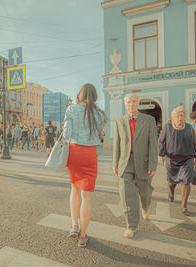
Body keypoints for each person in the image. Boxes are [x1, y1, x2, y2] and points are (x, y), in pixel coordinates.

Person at [64, 83, 106, 248]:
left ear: (80, 94)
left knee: (74, 188)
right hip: (90, 154)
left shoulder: (71, 109)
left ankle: (74, 225)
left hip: (74, 151)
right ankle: (82, 236)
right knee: (86, 195)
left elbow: (66, 134)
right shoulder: (100, 113)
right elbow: (102, 136)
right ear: (94, 95)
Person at [113, 93, 157, 238]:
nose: (131, 104)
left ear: (138, 103)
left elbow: (153, 144)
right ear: (125, 104)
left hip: (143, 162)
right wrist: (115, 163)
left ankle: (145, 207)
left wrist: (153, 164)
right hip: (125, 162)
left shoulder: (149, 120)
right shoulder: (119, 121)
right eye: (129, 102)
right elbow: (117, 145)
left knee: (145, 192)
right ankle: (131, 226)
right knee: (127, 195)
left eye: (134, 101)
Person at [158, 106, 196, 216]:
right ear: (173, 117)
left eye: (182, 115)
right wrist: (160, 155)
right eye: (177, 116)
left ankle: (184, 205)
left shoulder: (189, 128)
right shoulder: (167, 127)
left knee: (186, 182)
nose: (180, 117)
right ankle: (171, 192)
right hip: (171, 159)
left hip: (187, 158)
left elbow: (194, 142)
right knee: (171, 183)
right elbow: (161, 142)